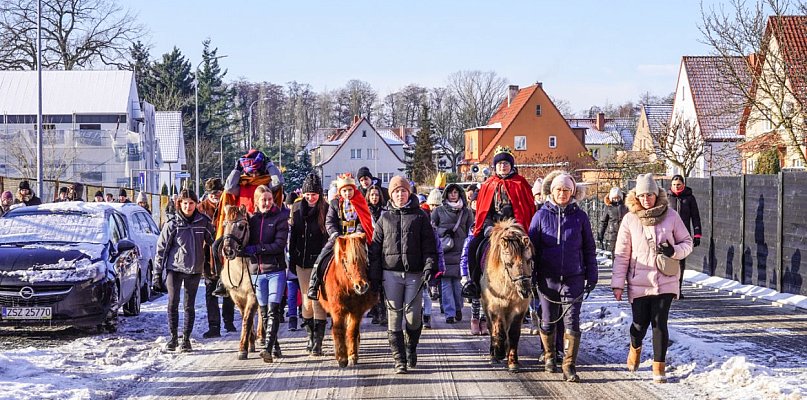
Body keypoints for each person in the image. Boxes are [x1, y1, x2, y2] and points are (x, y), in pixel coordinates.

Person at [611, 173, 693, 383]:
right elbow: (621, 254)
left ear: (657, 194)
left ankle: (659, 367)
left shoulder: (671, 216)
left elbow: (687, 243)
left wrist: (673, 251)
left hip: (665, 279)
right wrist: (618, 284)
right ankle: (635, 347)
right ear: (636, 197)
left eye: (650, 194)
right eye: (642, 195)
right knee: (639, 324)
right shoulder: (630, 219)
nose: (647, 199)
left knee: (659, 323)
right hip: (639, 280)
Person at [528, 170, 597, 382]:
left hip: (573, 276)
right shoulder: (540, 216)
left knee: (572, 322)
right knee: (547, 321)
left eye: (567, 190)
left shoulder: (580, 217)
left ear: (573, 192)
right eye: (559, 189)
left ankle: (569, 365)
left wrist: (591, 274)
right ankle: (549, 356)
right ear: (552, 191)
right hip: (547, 279)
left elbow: (589, 248)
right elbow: (531, 249)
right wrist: (532, 276)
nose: (562, 193)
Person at [369, 176, 437, 374]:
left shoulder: (420, 217)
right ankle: (399, 359)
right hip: (390, 274)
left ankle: (411, 348)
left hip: (414, 273)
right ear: (391, 194)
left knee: (413, 317)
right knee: (394, 316)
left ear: (409, 193)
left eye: (403, 191)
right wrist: (375, 277)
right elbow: (375, 250)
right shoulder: (384, 218)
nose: (400, 195)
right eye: (396, 191)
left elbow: (429, 247)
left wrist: (428, 267)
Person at [464, 146, 535, 299]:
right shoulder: (488, 184)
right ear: (495, 166)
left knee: (533, 249)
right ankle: (474, 283)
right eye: (500, 163)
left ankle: (534, 281)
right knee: (473, 246)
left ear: (511, 165)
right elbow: (484, 211)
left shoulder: (521, 183)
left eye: (506, 163)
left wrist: (517, 228)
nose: (503, 166)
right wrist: (488, 226)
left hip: (516, 227)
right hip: (494, 228)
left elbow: (525, 209)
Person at [152, 189, 215, 352]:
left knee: (189, 305)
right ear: (179, 204)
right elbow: (162, 248)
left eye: (191, 203)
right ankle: (173, 338)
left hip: (194, 269)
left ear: (196, 204)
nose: (188, 206)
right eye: (185, 203)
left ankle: (186, 339)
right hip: (175, 268)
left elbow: (214, 241)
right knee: (173, 303)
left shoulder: (203, 222)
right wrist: (157, 273)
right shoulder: (173, 223)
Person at [306, 173, 374, 300]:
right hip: (339, 238)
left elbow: (363, 220)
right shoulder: (335, 203)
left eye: (349, 190)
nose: (347, 193)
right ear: (340, 191)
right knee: (322, 256)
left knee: (372, 257)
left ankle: (374, 286)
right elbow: (329, 221)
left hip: (357, 239)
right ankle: (314, 285)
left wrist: (357, 233)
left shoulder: (361, 202)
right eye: (344, 191)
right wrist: (335, 234)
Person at [244, 185, 290, 363]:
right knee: (263, 312)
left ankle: (268, 348)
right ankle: (275, 346)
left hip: (275, 270)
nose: (267, 203)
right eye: (263, 199)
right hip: (257, 271)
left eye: (270, 199)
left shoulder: (280, 218)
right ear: (256, 201)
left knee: (273, 310)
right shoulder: (251, 220)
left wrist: (256, 249)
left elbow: (279, 245)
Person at [289, 173, 329, 355]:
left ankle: (318, 342)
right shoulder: (296, 209)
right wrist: (292, 259)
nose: (311, 197)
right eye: (308, 194)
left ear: (319, 194)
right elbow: (294, 236)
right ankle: (310, 336)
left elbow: (328, 237)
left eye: (314, 194)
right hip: (302, 261)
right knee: (306, 300)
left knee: (319, 300)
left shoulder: (326, 209)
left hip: (320, 262)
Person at [196, 178, 236, 338]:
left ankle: (229, 321)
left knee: (229, 289)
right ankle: (214, 325)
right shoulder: (201, 208)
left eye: (218, 192)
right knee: (210, 291)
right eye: (212, 193)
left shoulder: (227, 206)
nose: (215, 195)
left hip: (226, 255)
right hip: (208, 258)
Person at [431, 183, 473, 325]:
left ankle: (458, 308)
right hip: (444, 250)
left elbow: (470, 231)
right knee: (445, 284)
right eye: (450, 192)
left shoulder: (466, 212)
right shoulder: (438, 211)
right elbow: (432, 230)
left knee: (457, 284)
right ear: (446, 194)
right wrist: (443, 232)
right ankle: (449, 313)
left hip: (461, 251)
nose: (453, 194)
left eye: (456, 192)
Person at [668, 175, 702, 297]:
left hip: (683, 235)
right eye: (674, 185)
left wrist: (697, 234)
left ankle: (678, 289)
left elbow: (695, 217)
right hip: (669, 235)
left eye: (678, 185)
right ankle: (669, 288)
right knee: (669, 261)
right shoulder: (667, 198)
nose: (676, 187)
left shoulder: (689, 198)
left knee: (681, 262)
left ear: (683, 185)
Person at [365, 184, 388, 326]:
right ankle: (374, 309)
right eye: (372, 194)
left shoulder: (385, 212)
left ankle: (383, 312)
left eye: (377, 195)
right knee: (371, 282)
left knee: (382, 283)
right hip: (369, 250)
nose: (374, 197)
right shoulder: (364, 212)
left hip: (383, 250)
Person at [598, 187, 628, 257]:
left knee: (625, 253)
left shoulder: (626, 206)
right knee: (615, 254)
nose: (616, 200)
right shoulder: (608, 207)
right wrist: (601, 234)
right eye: (614, 198)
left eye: (618, 198)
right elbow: (604, 221)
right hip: (613, 234)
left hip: (625, 232)